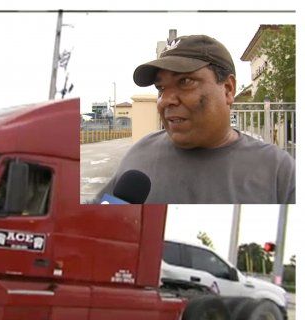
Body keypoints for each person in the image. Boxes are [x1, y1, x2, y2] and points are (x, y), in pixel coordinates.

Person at [95, 35, 295, 204]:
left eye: (185, 81)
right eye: (161, 88)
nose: (165, 101)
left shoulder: (278, 172)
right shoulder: (138, 156)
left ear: (228, 89)